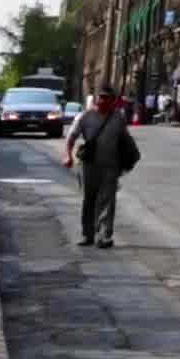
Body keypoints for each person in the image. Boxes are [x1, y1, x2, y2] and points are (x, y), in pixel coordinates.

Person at [63, 85, 135, 249]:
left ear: (113, 101)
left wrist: (128, 159)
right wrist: (68, 155)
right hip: (89, 165)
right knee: (89, 199)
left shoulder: (118, 118)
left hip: (111, 166)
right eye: (101, 97)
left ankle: (104, 235)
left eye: (106, 98)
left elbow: (125, 140)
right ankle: (87, 234)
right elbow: (71, 137)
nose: (102, 100)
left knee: (107, 200)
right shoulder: (85, 116)